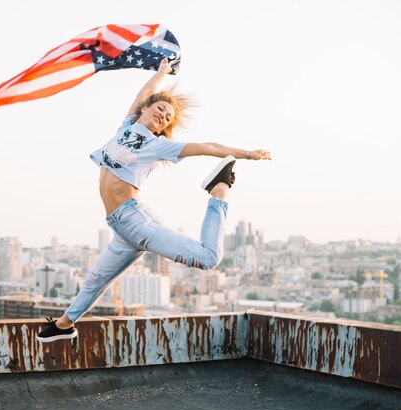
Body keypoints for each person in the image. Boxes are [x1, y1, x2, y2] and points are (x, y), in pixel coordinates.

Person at [37, 58, 271, 343]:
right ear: (145, 109)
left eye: (167, 117)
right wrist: (161, 73)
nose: (162, 115)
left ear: (163, 129)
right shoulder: (125, 127)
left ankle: (220, 189)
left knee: (209, 257)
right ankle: (64, 325)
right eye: (160, 108)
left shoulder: (157, 145)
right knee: (96, 279)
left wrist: (248, 153)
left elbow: (207, 146)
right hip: (120, 227)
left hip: (136, 221)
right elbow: (142, 94)